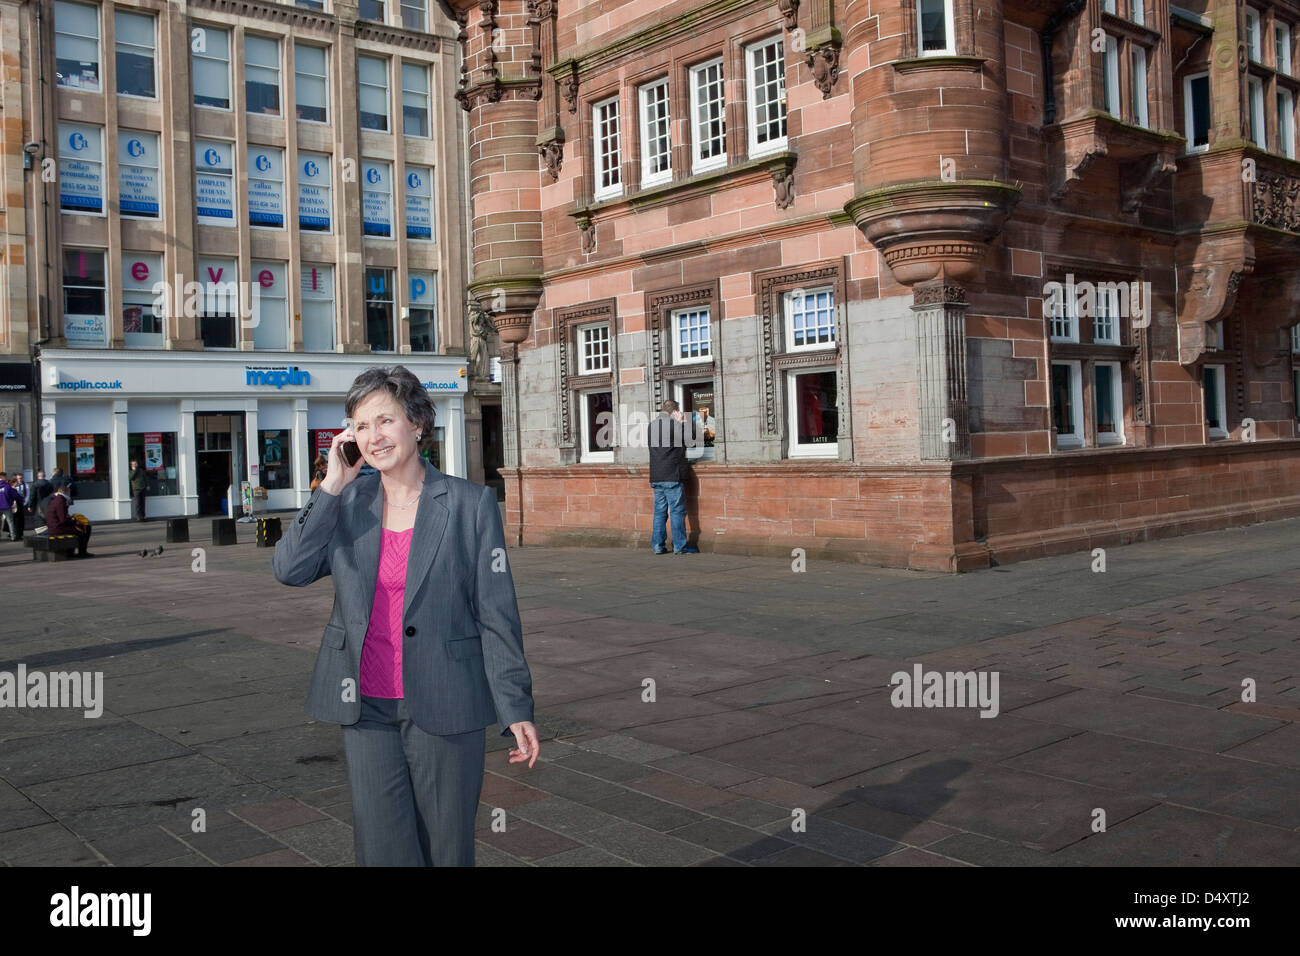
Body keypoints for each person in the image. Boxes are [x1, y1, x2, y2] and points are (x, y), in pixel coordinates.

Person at [272, 365, 537, 866]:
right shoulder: (347, 504)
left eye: (385, 420)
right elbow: (289, 569)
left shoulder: (469, 505)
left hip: (445, 700)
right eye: (361, 425)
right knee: (382, 850)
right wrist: (330, 485)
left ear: (416, 423)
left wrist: (515, 706)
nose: (373, 437)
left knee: (445, 847)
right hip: (365, 705)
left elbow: (497, 614)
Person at [647, 399, 691, 555]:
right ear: (674, 411)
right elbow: (688, 442)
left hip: (656, 475)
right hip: (672, 475)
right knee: (677, 511)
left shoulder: (651, 425)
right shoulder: (674, 424)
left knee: (659, 512)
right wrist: (682, 423)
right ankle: (680, 546)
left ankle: (658, 546)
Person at [43, 476, 92, 557]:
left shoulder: (56, 500)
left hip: (53, 526)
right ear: (66, 492)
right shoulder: (61, 501)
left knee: (81, 528)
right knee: (85, 529)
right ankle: (82, 552)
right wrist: (74, 521)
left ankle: (72, 551)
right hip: (57, 528)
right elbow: (63, 520)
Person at [0, 473, 23, 541]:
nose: (7, 478)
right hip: (7, 506)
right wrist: (21, 498)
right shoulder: (7, 486)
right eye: (6, 477)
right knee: (10, 522)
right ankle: (13, 537)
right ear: (3, 477)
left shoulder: (7, 485)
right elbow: (14, 494)